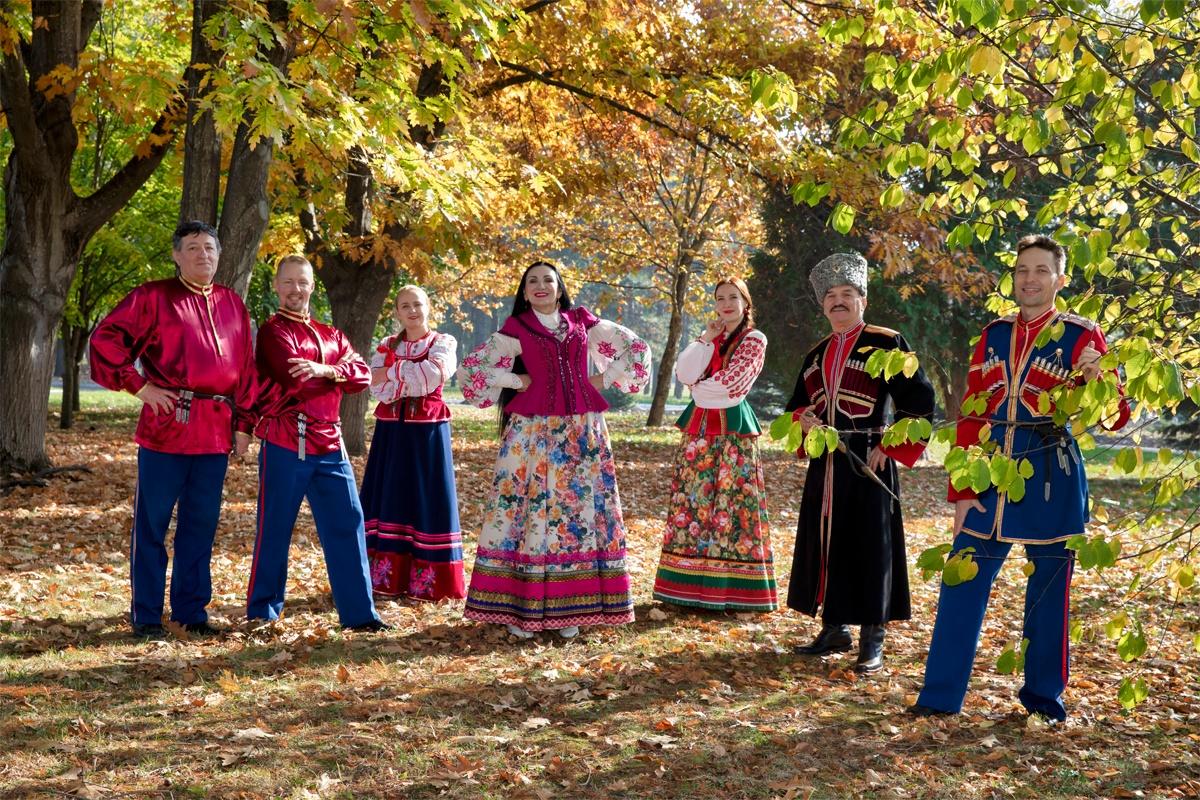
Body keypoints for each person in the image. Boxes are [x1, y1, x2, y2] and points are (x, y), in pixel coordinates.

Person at [911, 235, 1130, 720]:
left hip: (1051, 474)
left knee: (1048, 595)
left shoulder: (1082, 335)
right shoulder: (992, 334)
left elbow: (1115, 417)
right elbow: (969, 415)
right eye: (1022, 270)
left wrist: (1100, 380)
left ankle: (1043, 701)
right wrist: (962, 489)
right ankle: (939, 700)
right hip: (988, 474)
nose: (1029, 279)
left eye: (1041, 270)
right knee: (960, 580)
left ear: (1060, 279)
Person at [457, 260, 651, 639]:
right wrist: (516, 379)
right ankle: (520, 607)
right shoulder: (517, 329)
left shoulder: (583, 322)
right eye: (533, 282)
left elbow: (636, 348)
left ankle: (573, 606)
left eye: (548, 280)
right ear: (525, 292)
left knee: (576, 512)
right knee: (526, 510)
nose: (541, 286)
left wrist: (604, 377)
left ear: (560, 288)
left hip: (581, 431)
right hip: (530, 434)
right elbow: (470, 370)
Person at [89, 220, 256, 638]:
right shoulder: (153, 297)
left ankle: (191, 612)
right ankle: (146, 615)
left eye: (210, 248)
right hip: (168, 426)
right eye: (194, 247)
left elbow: (248, 371)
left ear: (219, 255)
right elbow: (105, 340)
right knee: (152, 525)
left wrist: (245, 426)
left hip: (216, 431)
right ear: (177, 255)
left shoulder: (233, 303)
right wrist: (140, 386)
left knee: (201, 525)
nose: (204, 255)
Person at [785, 252, 935, 672]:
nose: (838, 302)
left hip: (869, 458)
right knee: (828, 544)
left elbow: (920, 401)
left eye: (846, 294)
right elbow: (796, 405)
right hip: (826, 463)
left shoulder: (887, 343)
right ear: (823, 305)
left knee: (872, 548)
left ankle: (873, 637)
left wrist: (888, 445)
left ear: (862, 300)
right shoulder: (815, 353)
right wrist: (804, 418)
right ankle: (834, 628)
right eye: (830, 296)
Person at [245, 255, 387, 632]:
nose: (296, 289)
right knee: (275, 527)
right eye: (288, 282)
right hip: (285, 442)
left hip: (330, 443)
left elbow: (362, 376)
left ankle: (360, 615)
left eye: (302, 282)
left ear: (312, 286)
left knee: (348, 524)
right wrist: (339, 376)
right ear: (277, 286)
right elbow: (294, 381)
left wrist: (327, 370)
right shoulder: (273, 332)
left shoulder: (332, 334)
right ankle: (263, 613)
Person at [652, 277, 777, 612]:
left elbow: (733, 385)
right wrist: (705, 339)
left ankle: (732, 592)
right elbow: (684, 372)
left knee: (732, 504)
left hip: (733, 434)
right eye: (720, 297)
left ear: (746, 303)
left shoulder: (754, 339)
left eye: (733, 297)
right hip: (699, 432)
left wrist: (698, 389)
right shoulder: (710, 339)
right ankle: (687, 589)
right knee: (694, 503)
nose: (726, 304)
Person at [361, 285, 465, 601]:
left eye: (417, 304)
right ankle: (383, 579)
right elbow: (374, 386)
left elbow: (434, 375)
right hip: (391, 433)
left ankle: (430, 582)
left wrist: (392, 373)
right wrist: (406, 376)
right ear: (397, 312)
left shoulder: (443, 342)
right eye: (405, 305)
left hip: (426, 434)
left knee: (427, 496)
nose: (412, 311)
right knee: (389, 495)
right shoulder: (386, 344)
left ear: (428, 307)